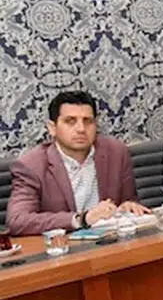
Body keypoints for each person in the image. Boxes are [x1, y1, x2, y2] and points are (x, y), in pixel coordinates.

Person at [8, 91, 149, 235]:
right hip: (64, 245)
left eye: (88, 121)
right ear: (52, 128)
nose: (81, 129)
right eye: (70, 121)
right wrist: (82, 219)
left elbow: (129, 201)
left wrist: (127, 207)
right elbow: (17, 221)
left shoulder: (116, 152)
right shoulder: (31, 166)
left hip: (112, 240)